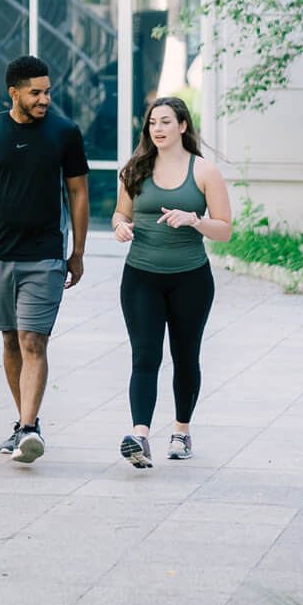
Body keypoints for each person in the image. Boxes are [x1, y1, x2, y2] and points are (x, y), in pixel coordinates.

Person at [0, 54, 90, 464]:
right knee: (11, 340)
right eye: (36, 92)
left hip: (46, 255)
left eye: (47, 91)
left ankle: (30, 428)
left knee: (34, 339)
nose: (44, 99)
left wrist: (78, 252)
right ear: (13, 93)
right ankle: (23, 424)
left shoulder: (65, 133)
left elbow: (79, 194)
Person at [111, 95, 233, 468]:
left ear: (182, 126)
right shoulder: (135, 169)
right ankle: (141, 436)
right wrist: (120, 227)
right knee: (145, 356)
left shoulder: (204, 172)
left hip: (190, 280)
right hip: (140, 278)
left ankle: (181, 430)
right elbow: (120, 212)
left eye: (165, 121)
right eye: (152, 123)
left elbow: (225, 230)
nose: (157, 129)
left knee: (184, 356)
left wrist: (195, 220)